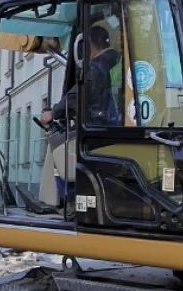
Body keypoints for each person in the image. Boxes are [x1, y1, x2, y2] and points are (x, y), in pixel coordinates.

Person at [38, 25, 121, 207]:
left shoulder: (96, 68)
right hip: (113, 128)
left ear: (87, 46)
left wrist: (53, 112)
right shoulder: (117, 64)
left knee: (60, 150)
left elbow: (78, 96)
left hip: (97, 129)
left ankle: (65, 201)